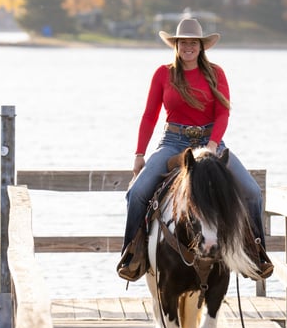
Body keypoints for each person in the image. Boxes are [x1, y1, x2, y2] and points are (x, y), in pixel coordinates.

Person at [117, 18, 273, 282]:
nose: (188, 47)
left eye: (193, 43)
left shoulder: (216, 73)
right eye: (183, 42)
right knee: (137, 192)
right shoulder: (163, 74)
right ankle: (133, 254)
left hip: (211, 142)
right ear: (176, 45)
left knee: (252, 193)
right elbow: (149, 116)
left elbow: (223, 113)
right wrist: (139, 153)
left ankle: (256, 252)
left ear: (201, 47)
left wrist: (212, 145)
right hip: (173, 143)